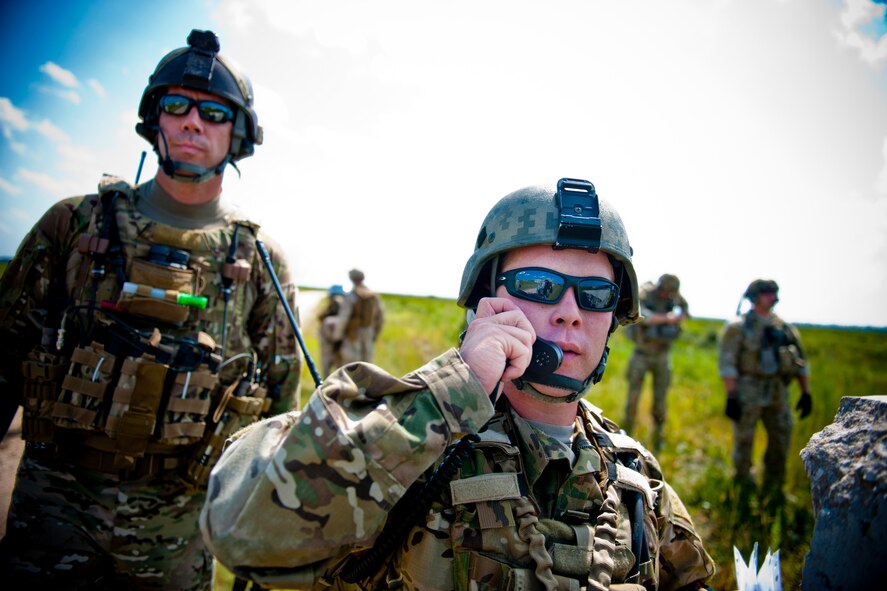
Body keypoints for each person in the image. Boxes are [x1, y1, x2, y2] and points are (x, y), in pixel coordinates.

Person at [200, 177, 715, 590]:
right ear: (487, 299)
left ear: (615, 316)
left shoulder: (632, 474)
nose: (569, 314)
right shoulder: (406, 439)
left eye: (596, 295)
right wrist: (454, 388)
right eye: (540, 286)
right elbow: (245, 535)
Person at [0, 29, 301, 589]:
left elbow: (279, 420)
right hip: (55, 507)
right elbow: (3, 356)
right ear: (153, 118)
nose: (193, 122)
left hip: (178, 523)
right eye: (177, 105)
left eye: (214, 112)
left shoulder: (259, 260)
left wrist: (259, 557)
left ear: (237, 134)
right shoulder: (75, 225)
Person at [718, 279, 811, 504]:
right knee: (744, 441)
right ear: (755, 297)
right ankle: (742, 486)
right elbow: (728, 363)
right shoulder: (738, 327)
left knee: (781, 439)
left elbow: (800, 361)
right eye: (767, 293)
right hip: (748, 390)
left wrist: (805, 392)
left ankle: (774, 488)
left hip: (778, 391)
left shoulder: (785, 328)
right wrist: (732, 396)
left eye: (774, 293)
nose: (772, 297)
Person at [622, 274, 689, 451]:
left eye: (670, 293)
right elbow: (643, 315)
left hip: (662, 355)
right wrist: (668, 318)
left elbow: (685, 311)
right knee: (633, 397)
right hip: (642, 353)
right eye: (664, 292)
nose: (666, 296)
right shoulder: (645, 292)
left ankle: (658, 435)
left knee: (661, 398)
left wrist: (679, 316)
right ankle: (626, 432)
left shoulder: (675, 296)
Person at [340, 268, 384, 364]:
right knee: (368, 361)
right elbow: (380, 317)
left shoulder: (351, 295)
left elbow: (344, 317)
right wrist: (376, 333)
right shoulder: (373, 295)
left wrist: (338, 335)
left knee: (353, 362)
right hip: (369, 329)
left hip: (353, 331)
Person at [317, 284, 352, 377]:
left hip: (334, 344)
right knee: (340, 370)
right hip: (337, 343)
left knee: (329, 369)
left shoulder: (335, 307)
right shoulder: (344, 305)